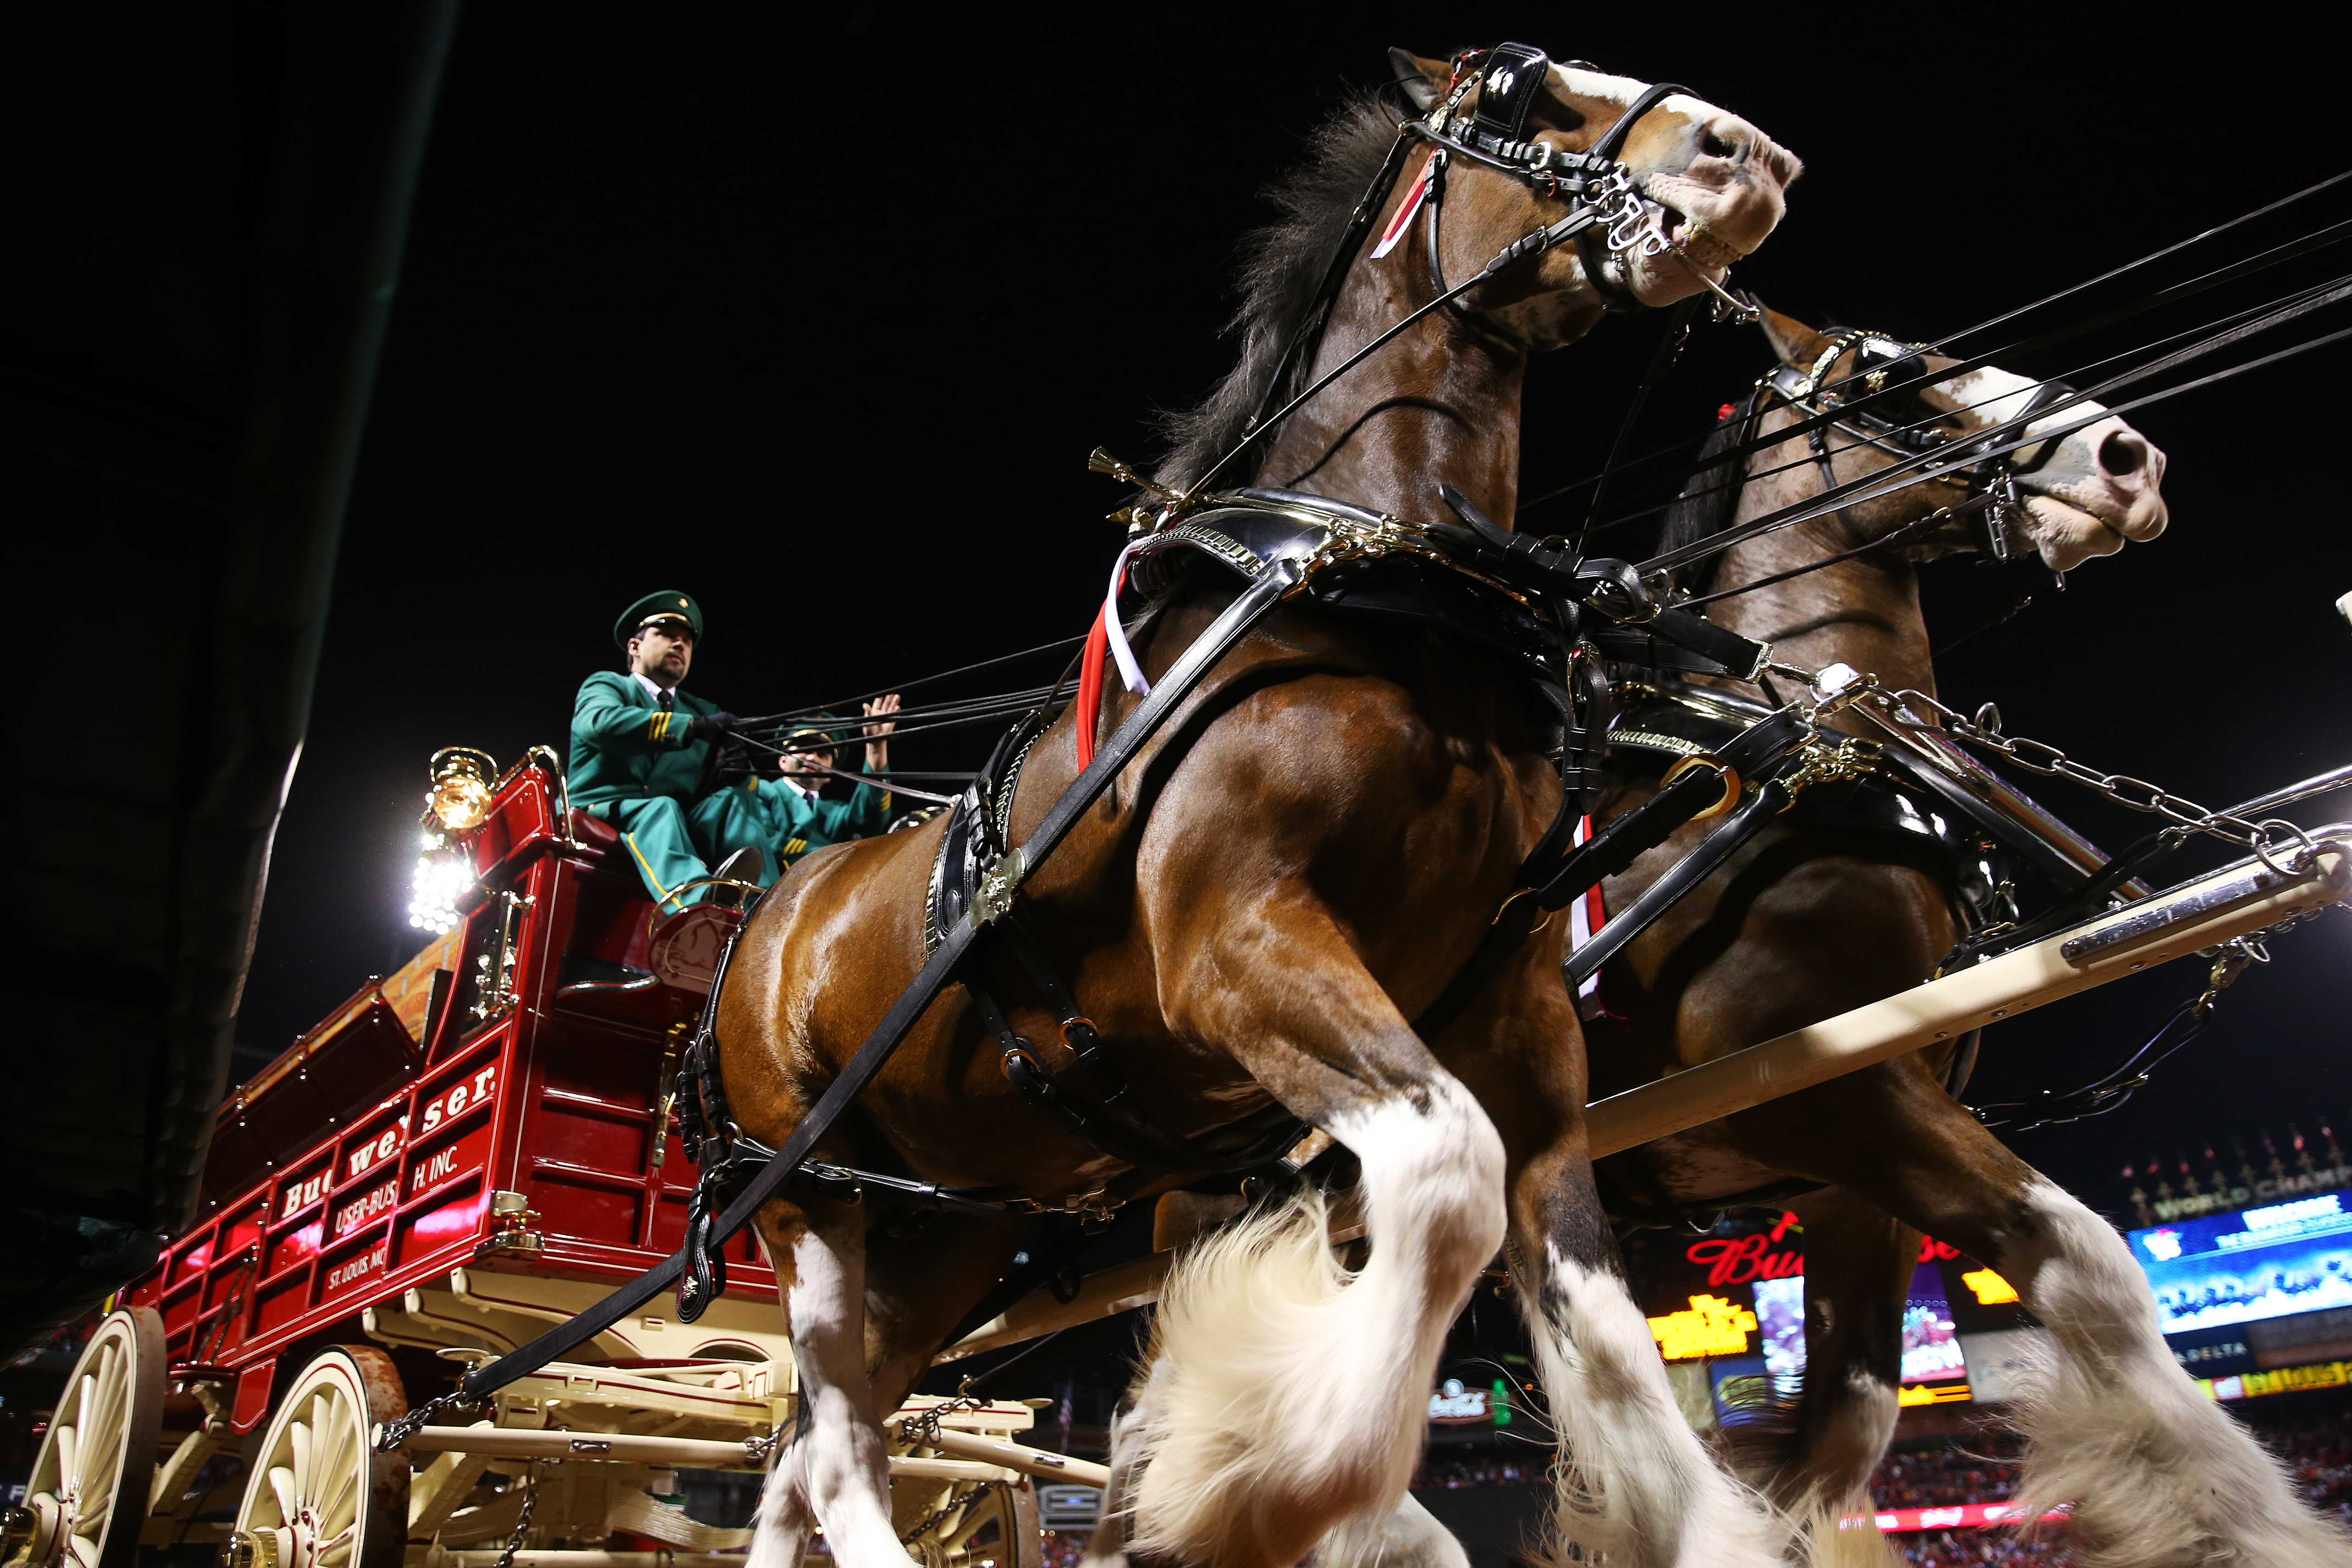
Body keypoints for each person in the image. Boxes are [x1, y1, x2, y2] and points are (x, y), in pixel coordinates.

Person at [569, 591, 773, 913]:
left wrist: (736, 772)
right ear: (634, 648)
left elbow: (725, 790)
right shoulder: (608, 686)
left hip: (675, 820)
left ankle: (766, 904)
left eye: (687, 641)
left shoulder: (702, 709)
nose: (679, 645)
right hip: (606, 806)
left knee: (735, 802)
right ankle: (695, 908)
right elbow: (597, 724)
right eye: (666, 635)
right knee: (661, 809)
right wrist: (690, 728)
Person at [761, 695, 901, 870]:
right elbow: (767, 842)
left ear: (829, 774)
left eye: (823, 754)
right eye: (804, 749)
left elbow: (870, 818)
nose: (812, 757)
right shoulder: (760, 791)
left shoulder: (835, 814)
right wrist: (835, 856)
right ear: (782, 761)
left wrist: (877, 747)